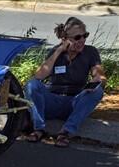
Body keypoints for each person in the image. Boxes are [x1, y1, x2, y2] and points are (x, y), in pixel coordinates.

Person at [24, 17, 106, 147]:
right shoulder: (56, 52)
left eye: (85, 35)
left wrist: (97, 79)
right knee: (31, 85)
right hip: (52, 100)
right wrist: (59, 51)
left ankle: (66, 132)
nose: (82, 40)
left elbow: (99, 73)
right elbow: (39, 76)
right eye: (77, 37)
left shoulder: (90, 52)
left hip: (74, 102)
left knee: (97, 92)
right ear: (65, 39)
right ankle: (38, 128)